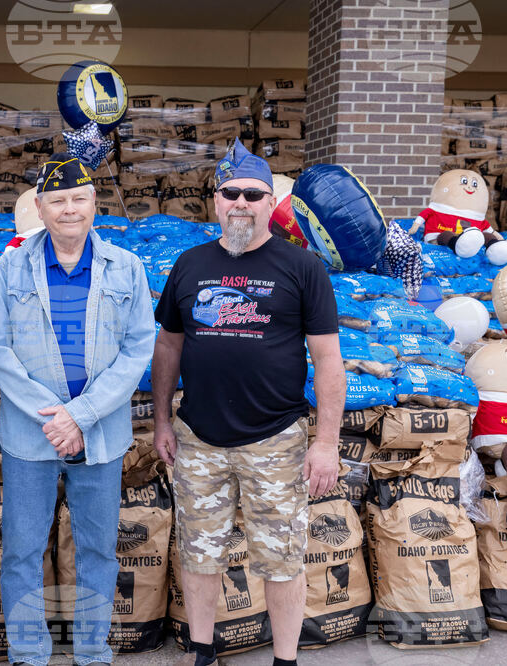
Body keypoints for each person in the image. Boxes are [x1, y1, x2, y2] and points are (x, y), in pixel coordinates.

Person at [151, 138, 345, 666]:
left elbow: (328, 361)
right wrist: (162, 420)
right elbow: (168, 344)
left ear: (269, 202)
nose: (241, 202)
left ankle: (286, 660)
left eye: (253, 194)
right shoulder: (190, 265)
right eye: (230, 192)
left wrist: (326, 443)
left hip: (275, 441)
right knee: (199, 552)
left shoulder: (302, 267)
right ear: (215, 200)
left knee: (282, 559)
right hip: (198, 438)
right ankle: (203, 651)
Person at [0, 153, 154, 666]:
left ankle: (92, 652)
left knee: (99, 551)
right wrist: (54, 416)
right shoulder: (11, 265)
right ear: (40, 207)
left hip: (99, 433)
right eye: (57, 200)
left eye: (78, 198)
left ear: (94, 203)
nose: (69, 209)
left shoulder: (126, 267)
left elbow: (138, 349)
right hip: (30, 436)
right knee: (21, 551)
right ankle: (28, 654)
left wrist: (80, 416)